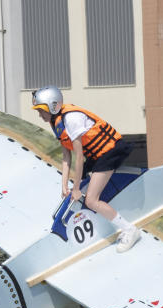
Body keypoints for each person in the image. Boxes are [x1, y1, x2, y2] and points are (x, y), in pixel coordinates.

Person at [31, 86, 140, 252]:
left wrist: (75, 189)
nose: (39, 115)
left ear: (53, 106)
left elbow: (79, 157)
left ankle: (129, 229)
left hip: (110, 151)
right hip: (97, 154)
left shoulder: (71, 119)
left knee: (91, 200)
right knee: (81, 182)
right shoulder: (56, 122)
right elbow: (67, 157)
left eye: (41, 110)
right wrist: (64, 185)